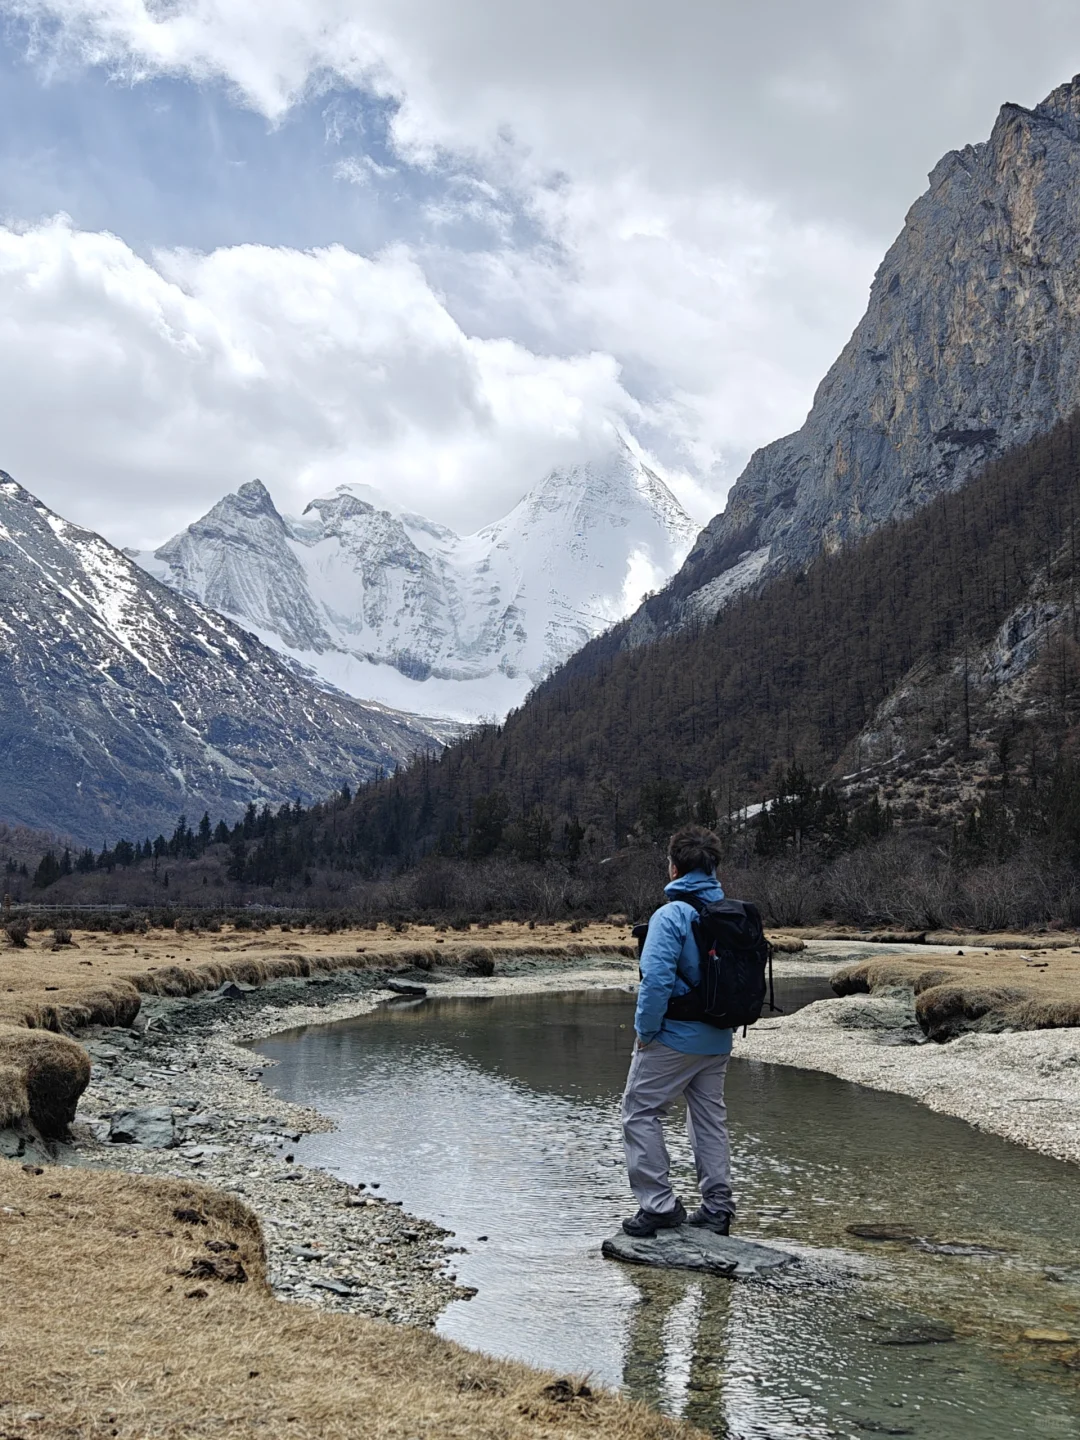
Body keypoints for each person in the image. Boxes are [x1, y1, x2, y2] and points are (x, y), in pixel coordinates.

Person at [621, 824, 734, 1237]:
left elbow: (655, 981)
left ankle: (659, 1207)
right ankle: (718, 1209)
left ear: (673, 868)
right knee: (709, 1119)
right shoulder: (727, 913)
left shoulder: (671, 915)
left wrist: (644, 1033)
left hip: (673, 1036)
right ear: (713, 869)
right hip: (719, 1036)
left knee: (639, 1113)